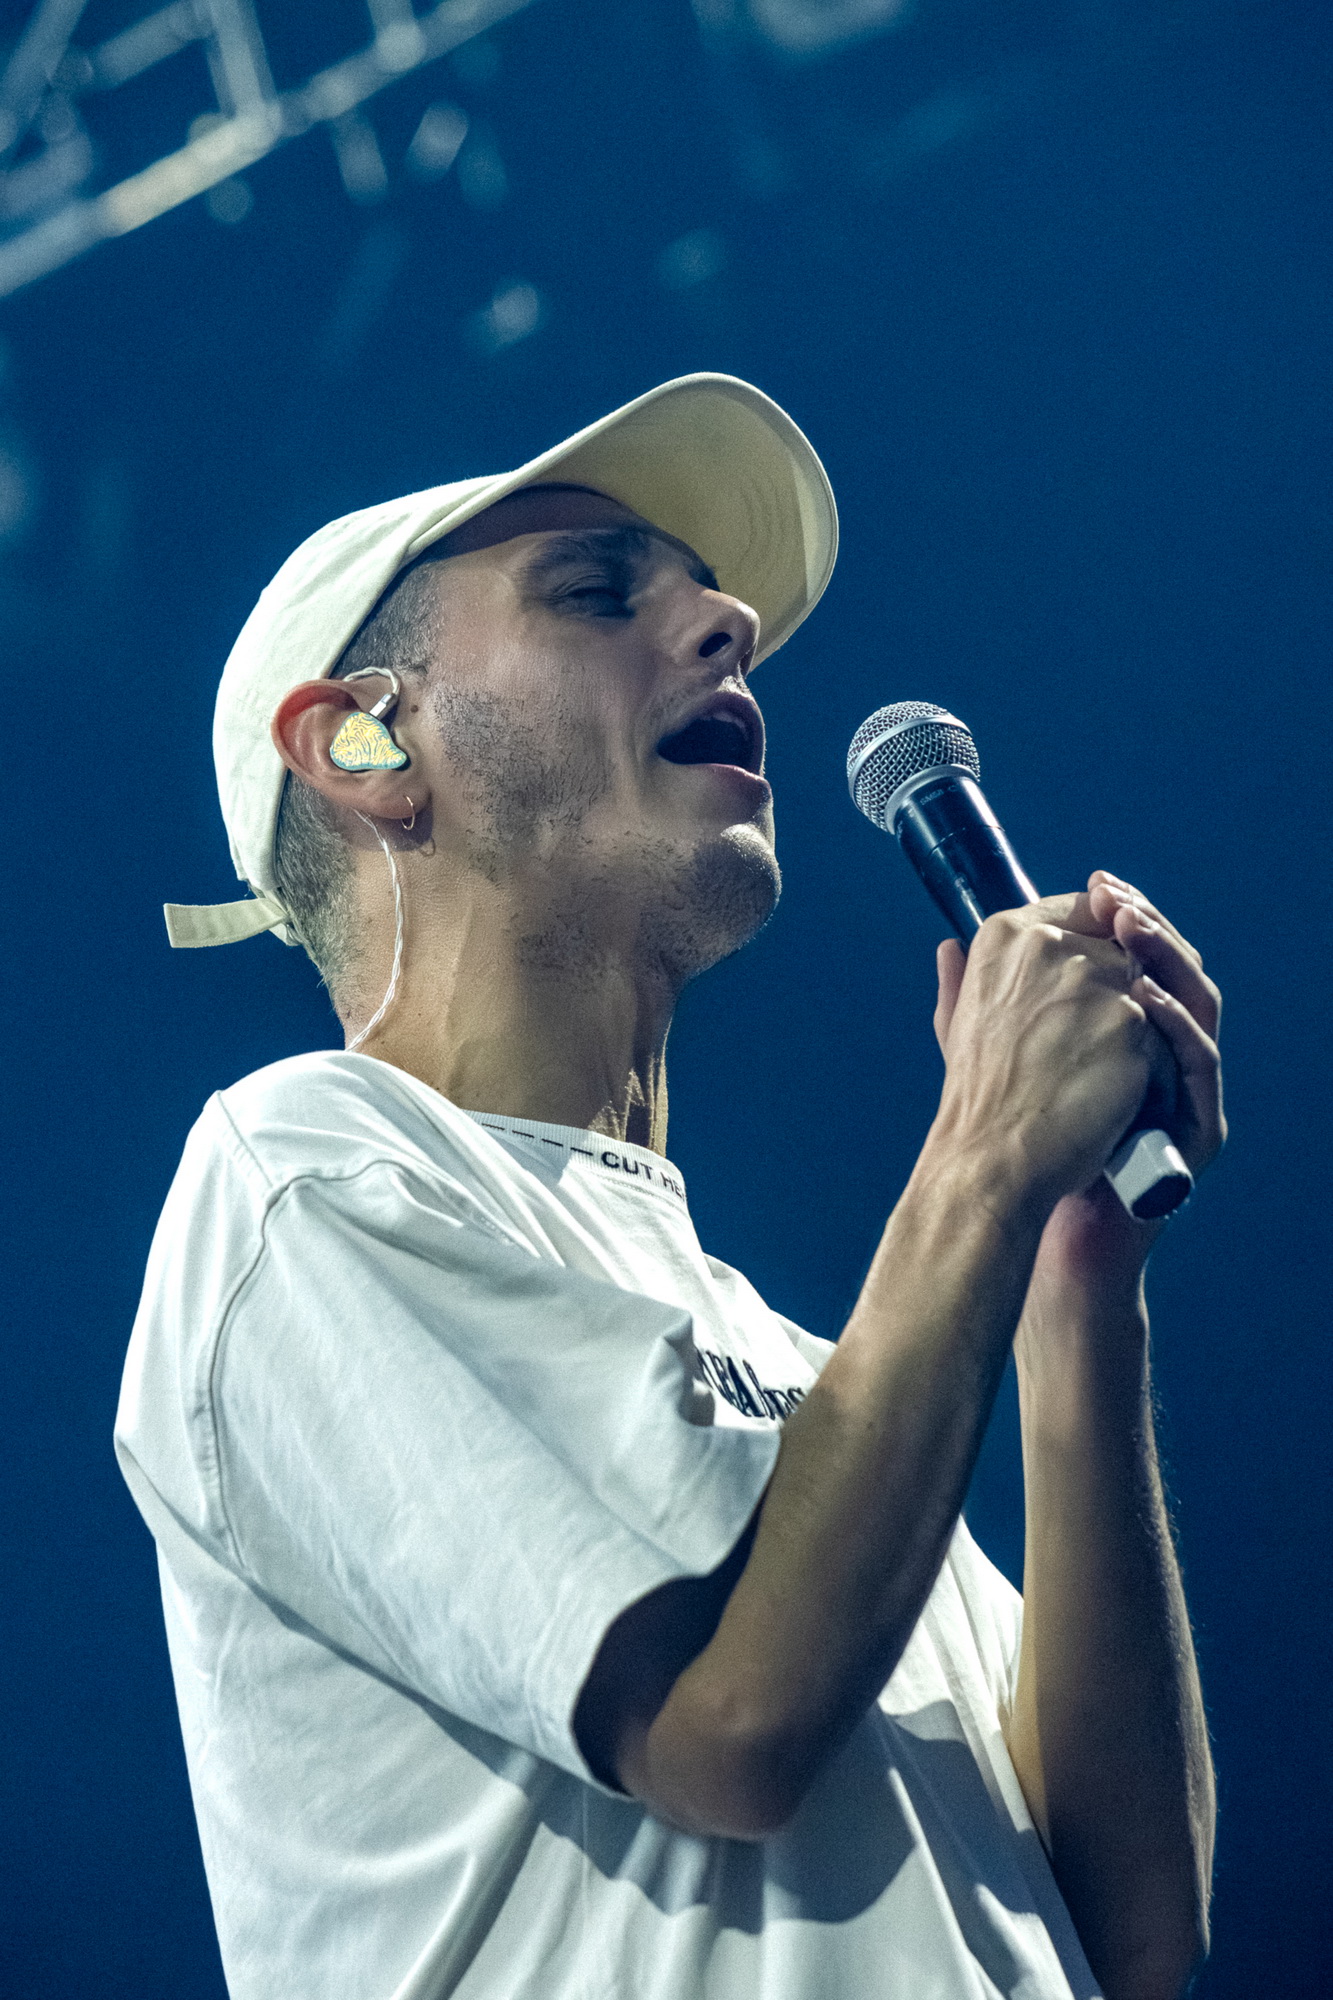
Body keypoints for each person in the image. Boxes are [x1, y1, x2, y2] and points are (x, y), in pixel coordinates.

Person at [116, 374, 1223, 2000]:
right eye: (594, 592)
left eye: (708, 595)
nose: (727, 625)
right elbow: (728, 1724)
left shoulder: (799, 1368)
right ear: (362, 744)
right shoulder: (298, 1179)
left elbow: (1129, 1935)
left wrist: (1076, 1288)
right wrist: (985, 1157)